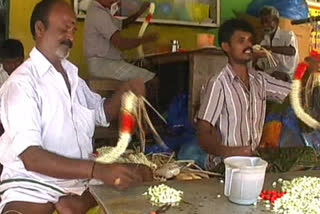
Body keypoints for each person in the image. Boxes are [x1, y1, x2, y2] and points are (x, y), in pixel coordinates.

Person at [0, 0, 153, 213]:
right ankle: (77, 202)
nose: (71, 37)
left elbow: (101, 114)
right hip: (34, 183)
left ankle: (78, 202)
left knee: (143, 174)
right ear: (40, 29)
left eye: (73, 30)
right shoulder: (21, 84)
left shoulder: (73, 77)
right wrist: (97, 171)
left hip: (78, 179)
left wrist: (124, 92)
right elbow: (32, 158)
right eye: (64, 29)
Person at [177, 19, 291, 172]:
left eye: (250, 41)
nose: (248, 45)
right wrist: (232, 152)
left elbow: (293, 93)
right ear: (226, 47)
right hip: (226, 163)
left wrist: (308, 72)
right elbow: (203, 132)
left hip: (253, 160)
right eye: (241, 41)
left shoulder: (260, 80)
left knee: (306, 157)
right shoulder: (219, 83)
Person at [84, 0, 158, 82]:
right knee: (151, 78)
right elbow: (121, 44)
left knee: (145, 69)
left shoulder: (103, 10)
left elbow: (121, 24)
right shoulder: (99, 13)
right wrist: (146, 39)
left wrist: (140, 12)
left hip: (107, 63)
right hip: (103, 65)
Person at [255, 6, 299, 80]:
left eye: (268, 21)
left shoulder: (288, 35)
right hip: (269, 78)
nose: (265, 25)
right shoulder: (264, 41)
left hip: (287, 78)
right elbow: (260, 66)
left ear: (277, 22)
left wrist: (270, 49)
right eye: (262, 22)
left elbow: (292, 51)